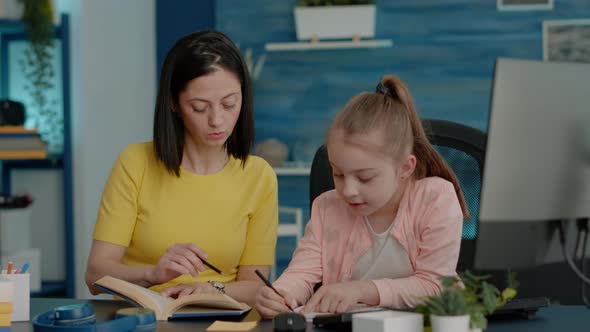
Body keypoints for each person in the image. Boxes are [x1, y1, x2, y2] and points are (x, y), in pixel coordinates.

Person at [85, 30, 278, 304]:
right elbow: (95, 276)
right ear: (174, 104)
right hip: (146, 320)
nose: (217, 120)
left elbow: (254, 285)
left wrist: (213, 290)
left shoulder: (259, 176)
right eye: (200, 107)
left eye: (229, 103)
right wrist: (153, 274)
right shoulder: (135, 163)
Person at [255, 75, 470, 318]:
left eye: (365, 178)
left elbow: (436, 286)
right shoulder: (327, 208)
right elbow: (301, 273)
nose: (348, 190)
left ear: (405, 168)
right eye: (337, 174)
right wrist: (281, 293)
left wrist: (360, 290)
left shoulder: (435, 198)